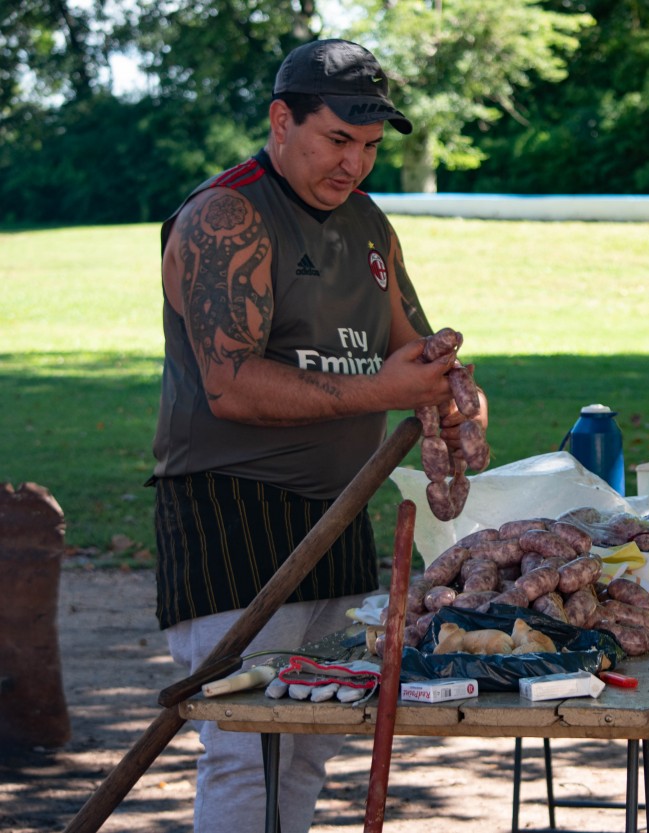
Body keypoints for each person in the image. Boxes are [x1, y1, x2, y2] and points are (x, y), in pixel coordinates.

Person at [148, 39, 485, 833]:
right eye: (338, 140)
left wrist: (453, 396)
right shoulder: (226, 215)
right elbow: (230, 382)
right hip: (228, 510)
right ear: (280, 119)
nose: (355, 165)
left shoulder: (367, 221)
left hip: (340, 505)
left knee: (310, 741)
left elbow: (417, 346)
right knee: (245, 744)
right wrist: (387, 389)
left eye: (369, 147)